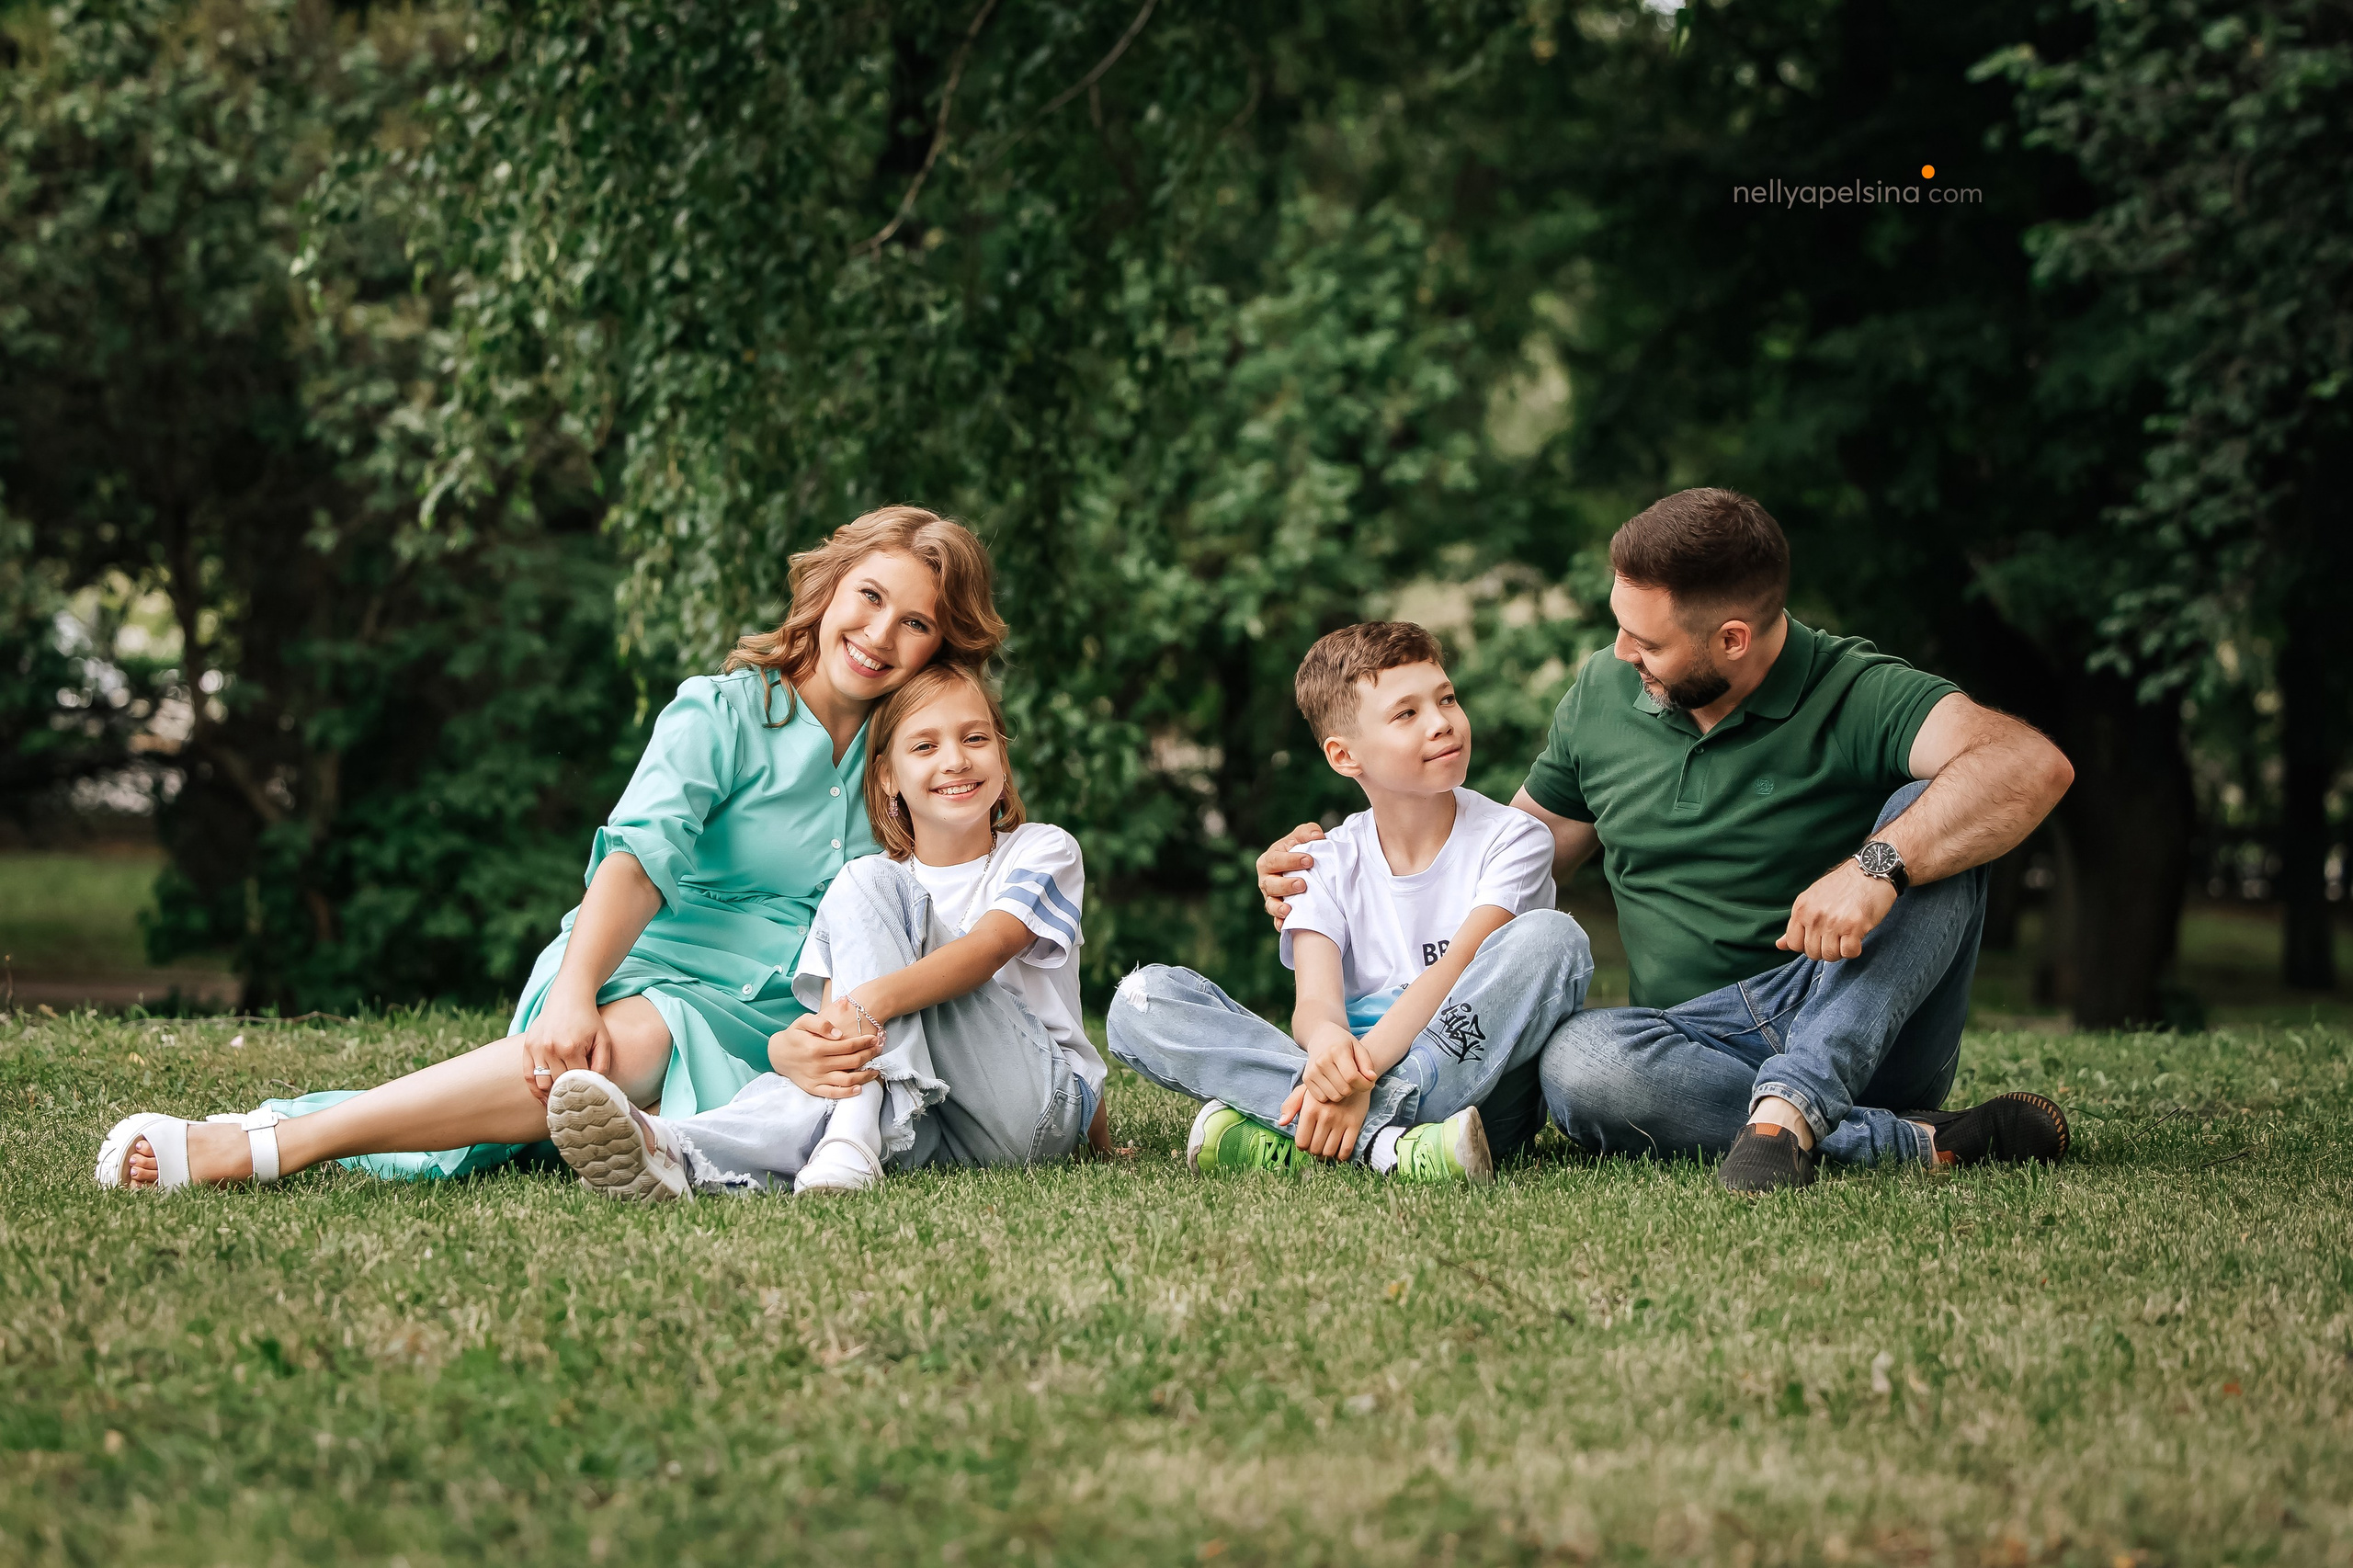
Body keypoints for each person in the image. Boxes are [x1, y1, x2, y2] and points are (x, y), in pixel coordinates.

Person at [96, 506, 1004, 1190]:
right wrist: (574, 990)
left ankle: (613, 1125)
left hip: (784, 1015)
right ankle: (271, 1143)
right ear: (828, 588)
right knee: (612, 1049)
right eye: (870, 598)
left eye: (915, 622)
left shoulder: (915, 756)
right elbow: (637, 861)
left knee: (585, 1097)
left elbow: (958, 895)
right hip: (656, 968)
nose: (880, 635)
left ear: (939, 646)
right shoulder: (724, 712)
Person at [1257, 490, 2078, 1194]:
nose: (1621, 654)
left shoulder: (1857, 691)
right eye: (1621, 628)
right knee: (1578, 1061)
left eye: (1646, 643)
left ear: (1732, 639)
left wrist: (1876, 867)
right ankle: (1877, 1136)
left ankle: (1795, 1104)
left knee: (1933, 812)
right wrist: (1330, 869)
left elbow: (2027, 764)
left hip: (1857, 1016)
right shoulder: (1603, 694)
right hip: (1689, 1046)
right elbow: (1496, 857)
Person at [542, 662, 1111, 1199]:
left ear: (1002, 757)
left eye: (976, 738)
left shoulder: (1041, 849)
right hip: (931, 1121)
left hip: (1033, 1109)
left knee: (868, 886)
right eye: (925, 746)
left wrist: (868, 1005)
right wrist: (787, 1049)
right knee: (826, 1070)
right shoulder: (870, 890)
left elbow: (987, 949)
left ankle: (850, 1136)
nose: (956, 760)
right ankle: (675, 1149)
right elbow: (835, 1026)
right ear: (887, 776)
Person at [1109, 621, 1594, 1184]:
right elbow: (1315, 1004)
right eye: (1406, 713)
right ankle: (1391, 1148)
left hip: (1478, 1087)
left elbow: (1457, 968)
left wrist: (1360, 1080)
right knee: (1141, 1000)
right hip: (1361, 1076)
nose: (1442, 722)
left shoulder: (1514, 839)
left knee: (1554, 938)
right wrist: (1327, 1044)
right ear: (1343, 756)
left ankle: (1308, 1128)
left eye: (1446, 699)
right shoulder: (1323, 861)